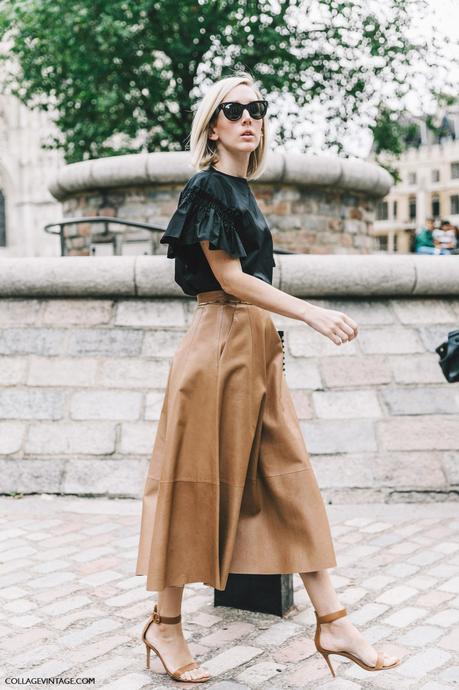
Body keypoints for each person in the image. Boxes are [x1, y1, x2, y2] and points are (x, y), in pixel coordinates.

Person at [135, 71, 401, 683]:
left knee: (290, 480)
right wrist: (309, 311)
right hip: (218, 346)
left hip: (254, 347)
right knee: (190, 482)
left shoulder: (241, 189)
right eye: (234, 110)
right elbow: (227, 278)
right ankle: (165, 626)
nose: (248, 118)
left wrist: (282, 328)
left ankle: (333, 620)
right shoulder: (207, 188)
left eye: (257, 108)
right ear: (212, 124)